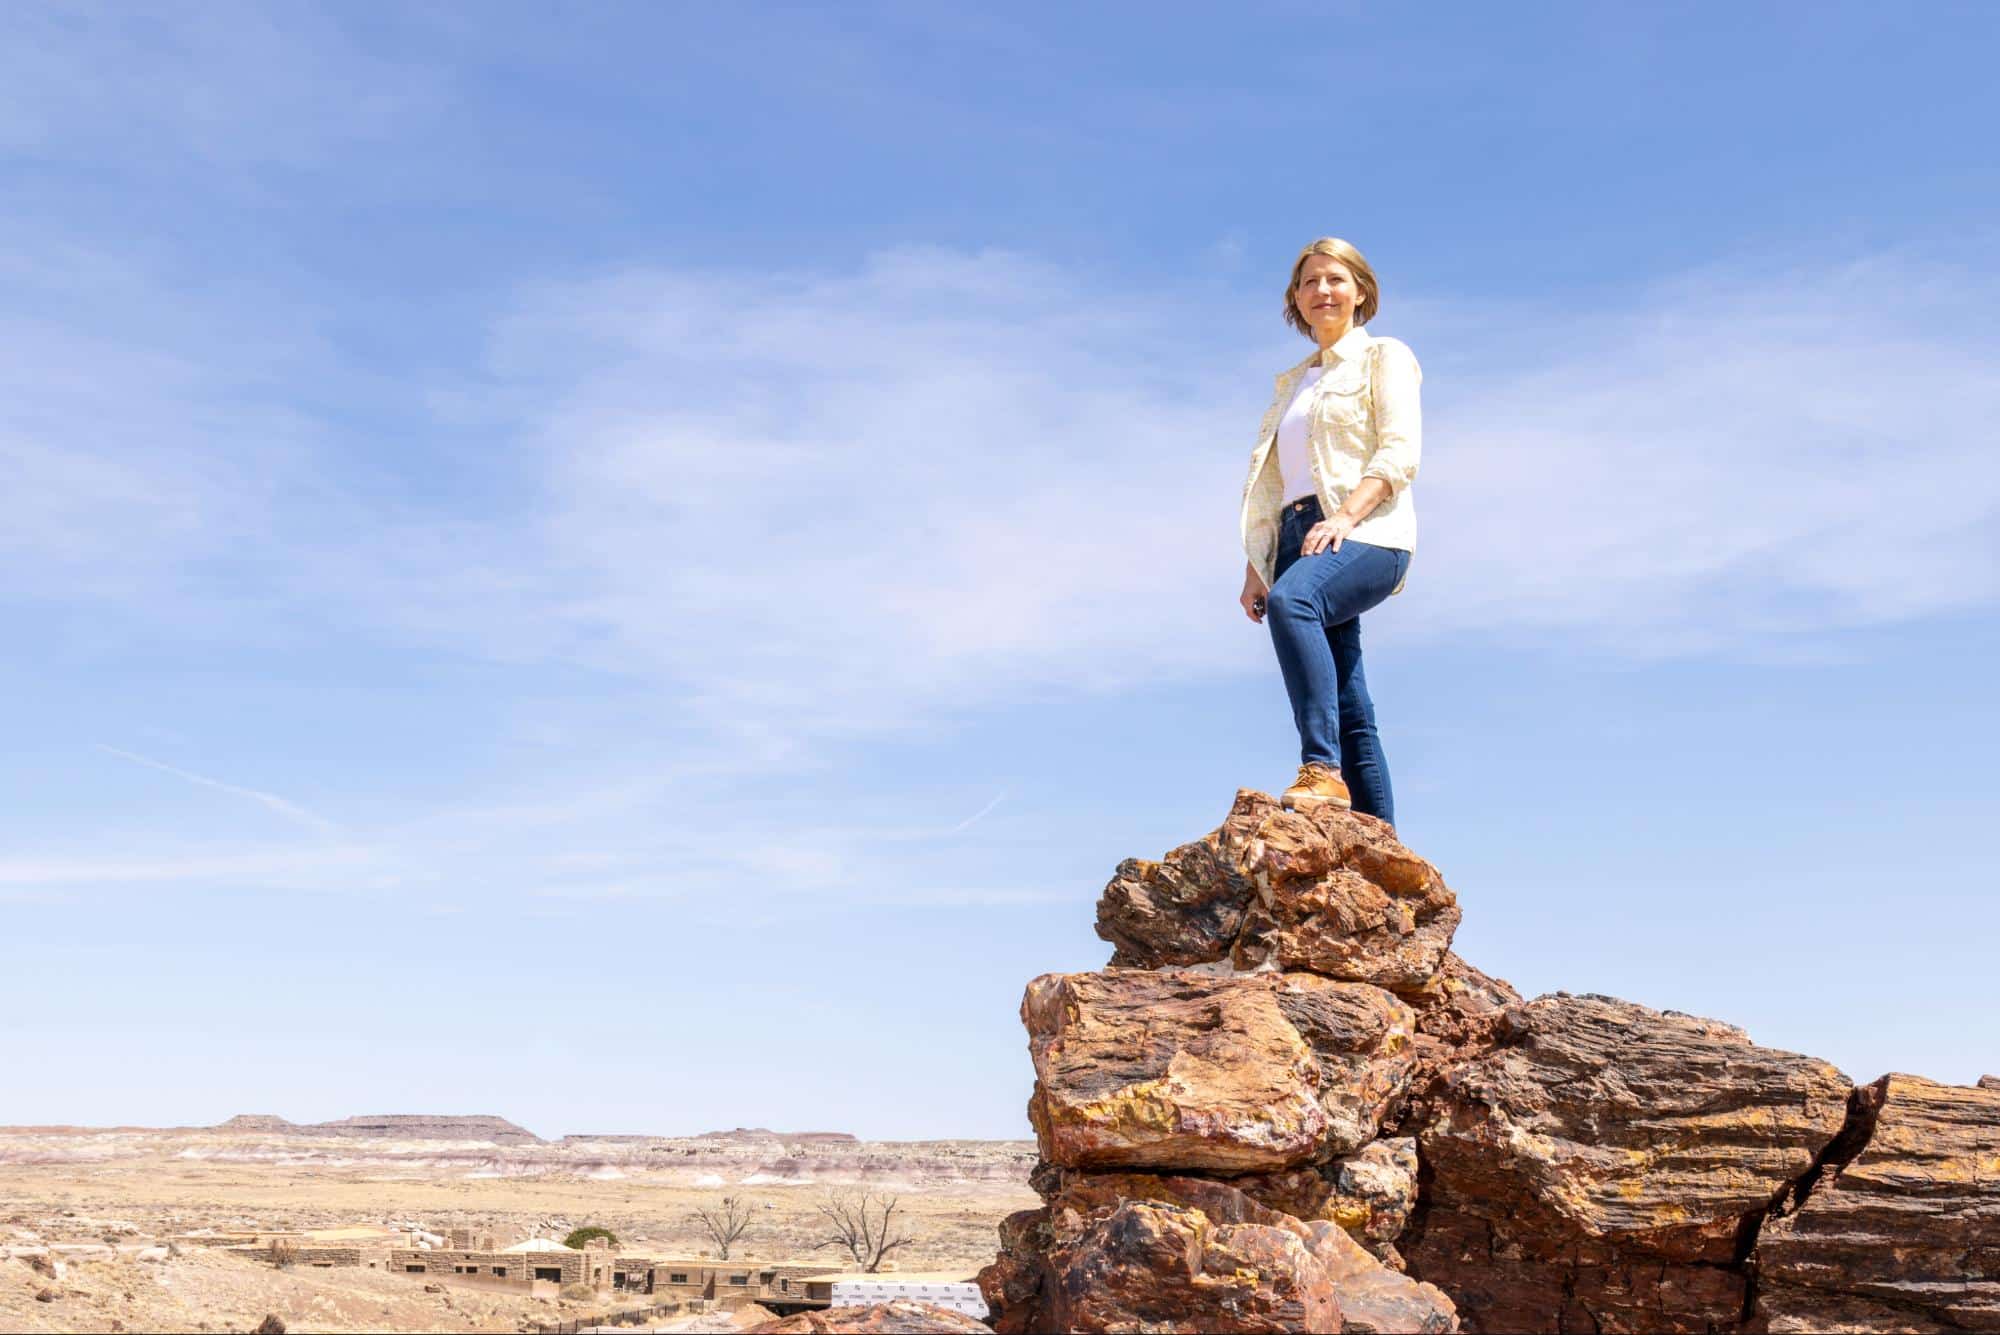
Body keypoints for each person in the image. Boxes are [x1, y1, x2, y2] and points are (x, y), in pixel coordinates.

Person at [1238, 237, 1422, 824]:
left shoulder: (1384, 357)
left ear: (1360, 291)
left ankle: (1320, 768)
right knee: (1350, 702)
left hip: (1367, 528)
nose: (1323, 290)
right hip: (1296, 537)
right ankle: (1378, 849)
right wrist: (1257, 565)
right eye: (1310, 282)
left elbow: (1399, 453)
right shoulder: (1293, 383)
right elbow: (1275, 483)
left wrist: (1345, 516)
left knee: (1295, 603)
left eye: (1336, 279)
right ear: (1296, 298)